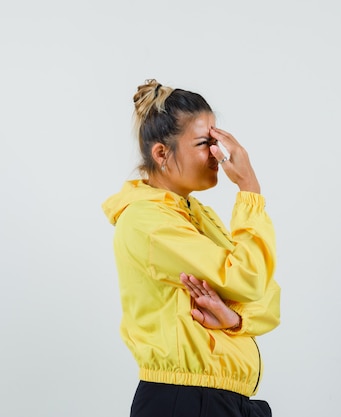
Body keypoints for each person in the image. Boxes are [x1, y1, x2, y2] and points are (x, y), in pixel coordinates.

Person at [102, 79, 280, 417]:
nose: (217, 153)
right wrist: (249, 188)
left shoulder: (197, 216)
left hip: (216, 400)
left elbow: (266, 295)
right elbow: (249, 278)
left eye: (217, 141)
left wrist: (235, 318)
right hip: (185, 401)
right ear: (161, 154)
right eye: (204, 143)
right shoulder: (148, 221)